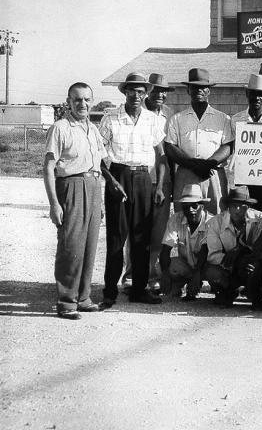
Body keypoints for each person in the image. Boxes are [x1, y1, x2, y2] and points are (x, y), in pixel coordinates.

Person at [98, 72, 167, 308]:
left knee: (142, 238)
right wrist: (111, 181)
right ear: (124, 92)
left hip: (143, 179)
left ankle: (139, 290)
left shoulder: (153, 120)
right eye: (131, 91)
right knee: (117, 238)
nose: (136, 96)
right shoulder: (110, 118)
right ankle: (109, 291)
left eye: (140, 92)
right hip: (118, 177)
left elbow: (162, 156)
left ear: (146, 93)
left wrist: (158, 187)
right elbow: (97, 155)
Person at [43, 82, 106, 319]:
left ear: (92, 101)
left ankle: (84, 297)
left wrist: (99, 202)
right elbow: (48, 168)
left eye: (87, 99)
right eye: (77, 99)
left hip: (93, 185)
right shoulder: (60, 128)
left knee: (89, 247)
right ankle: (66, 301)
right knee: (71, 246)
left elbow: (100, 166)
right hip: (71, 186)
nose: (83, 104)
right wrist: (54, 204)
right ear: (68, 102)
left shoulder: (94, 129)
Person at [123, 72, 177, 292]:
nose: (160, 95)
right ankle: (130, 275)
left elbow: (167, 153)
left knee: (157, 232)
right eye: (156, 90)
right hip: (138, 178)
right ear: (147, 92)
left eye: (164, 91)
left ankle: (152, 275)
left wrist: (166, 184)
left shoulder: (170, 116)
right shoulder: (137, 114)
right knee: (135, 230)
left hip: (162, 181)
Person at [164, 68, 233, 216]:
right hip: (186, 172)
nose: (198, 90)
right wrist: (192, 164)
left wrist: (209, 163)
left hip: (212, 172)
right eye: (194, 87)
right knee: (184, 216)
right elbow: (170, 147)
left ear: (209, 91)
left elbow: (228, 146)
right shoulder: (177, 118)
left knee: (216, 215)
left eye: (203, 87)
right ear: (188, 90)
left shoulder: (223, 118)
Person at [204, 186, 262, 308]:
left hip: (252, 264)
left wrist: (241, 253)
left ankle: (255, 293)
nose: (237, 210)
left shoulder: (261, 219)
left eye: (241, 206)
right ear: (228, 207)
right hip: (228, 266)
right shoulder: (216, 222)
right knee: (212, 272)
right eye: (233, 206)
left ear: (248, 206)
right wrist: (236, 261)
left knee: (254, 267)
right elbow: (213, 255)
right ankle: (227, 291)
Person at [229, 73, 262, 214]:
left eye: (261, 94)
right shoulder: (236, 119)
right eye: (253, 93)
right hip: (243, 174)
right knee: (243, 213)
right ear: (247, 93)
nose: (257, 98)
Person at [158, 183, 211, 300]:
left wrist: (197, 275)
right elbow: (166, 248)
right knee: (162, 266)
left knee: (215, 273)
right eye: (186, 206)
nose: (190, 209)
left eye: (194, 205)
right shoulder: (175, 219)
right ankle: (181, 284)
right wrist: (165, 274)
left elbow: (205, 251)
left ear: (202, 206)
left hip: (206, 266)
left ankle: (214, 288)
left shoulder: (211, 222)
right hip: (187, 265)